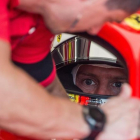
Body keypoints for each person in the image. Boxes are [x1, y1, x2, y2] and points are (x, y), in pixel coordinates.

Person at [0, 0, 140, 140]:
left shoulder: (38, 23)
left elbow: (42, 84)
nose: (94, 30)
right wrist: (93, 123)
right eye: (107, 18)